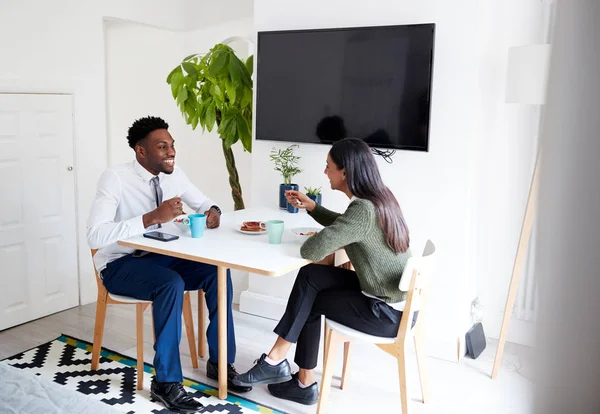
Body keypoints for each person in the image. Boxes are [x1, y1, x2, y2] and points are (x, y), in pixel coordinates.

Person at [232, 137, 416, 405]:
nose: (325, 172)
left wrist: (316, 230)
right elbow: (347, 225)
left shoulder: (362, 210)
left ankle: (289, 371)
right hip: (396, 304)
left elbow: (312, 250)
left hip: (385, 314)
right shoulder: (379, 198)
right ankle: (286, 370)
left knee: (310, 299)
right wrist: (313, 208)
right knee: (311, 277)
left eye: (329, 166)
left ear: (345, 172)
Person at [87, 116, 250, 414]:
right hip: (119, 264)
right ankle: (166, 382)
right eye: (162, 147)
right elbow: (95, 234)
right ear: (141, 151)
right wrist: (151, 218)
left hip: (160, 256)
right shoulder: (115, 178)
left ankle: (221, 362)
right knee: (170, 284)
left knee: (217, 271)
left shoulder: (174, 174)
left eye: (172, 146)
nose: (170, 152)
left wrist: (213, 213)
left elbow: (205, 204)